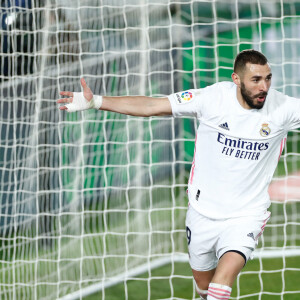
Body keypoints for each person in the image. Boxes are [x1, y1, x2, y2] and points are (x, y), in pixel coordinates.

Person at [57, 49, 300, 300]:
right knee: (204, 287)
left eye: (268, 78)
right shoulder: (212, 99)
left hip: (246, 215)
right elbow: (153, 105)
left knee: (220, 286)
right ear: (236, 80)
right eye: (256, 80)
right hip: (202, 212)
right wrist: (96, 101)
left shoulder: (282, 108)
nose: (264, 87)